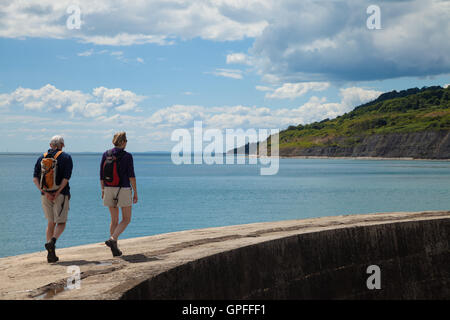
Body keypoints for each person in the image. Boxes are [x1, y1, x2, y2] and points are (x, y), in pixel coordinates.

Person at [33, 135, 73, 263]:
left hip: (45, 195)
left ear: (51, 145)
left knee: (51, 222)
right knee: (61, 222)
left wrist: (45, 192)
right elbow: (66, 178)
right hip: (60, 195)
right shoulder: (66, 157)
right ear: (62, 145)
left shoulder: (41, 157)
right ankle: (53, 241)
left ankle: (51, 255)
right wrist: (58, 192)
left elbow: (35, 178)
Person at [100, 132, 138, 257]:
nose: (127, 143)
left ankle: (114, 249)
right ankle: (113, 239)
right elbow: (131, 176)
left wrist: (103, 190)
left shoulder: (106, 154)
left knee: (114, 220)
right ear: (122, 142)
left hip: (108, 188)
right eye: (126, 140)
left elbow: (101, 175)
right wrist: (135, 192)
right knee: (126, 219)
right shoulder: (127, 156)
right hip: (123, 189)